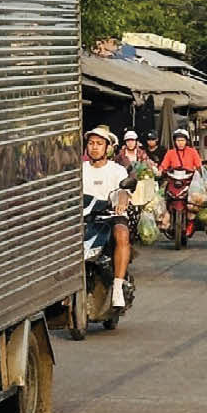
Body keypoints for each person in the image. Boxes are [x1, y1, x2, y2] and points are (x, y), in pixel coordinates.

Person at [82, 127, 133, 308]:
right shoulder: (80, 170)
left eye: (99, 144)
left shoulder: (117, 170)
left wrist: (121, 202)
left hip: (110, 216)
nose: (94, 147)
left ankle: (118, 287)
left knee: (121, 233)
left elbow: (124, 191)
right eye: (91, 143)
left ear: (107, 148)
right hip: (86, 218)